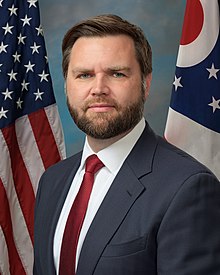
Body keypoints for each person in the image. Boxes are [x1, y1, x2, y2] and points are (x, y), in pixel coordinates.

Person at [34, 14, 220, 275]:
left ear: (145, 84)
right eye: (84, 75)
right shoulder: (52, 181)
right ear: (67, 85)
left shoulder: (187, 187)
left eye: (117, 73)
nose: (99, 88)